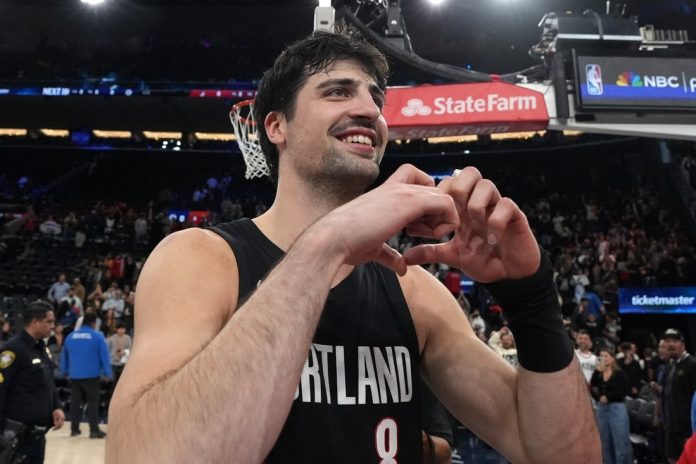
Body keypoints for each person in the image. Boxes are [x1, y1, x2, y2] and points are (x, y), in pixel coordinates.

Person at [107, 29, 599, 463]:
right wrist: (327, 244)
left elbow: (563, 456)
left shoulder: (415, 294)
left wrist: (531, 297)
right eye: (338, 91)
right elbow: (144, 456)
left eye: (375, 97)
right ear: (276, 126)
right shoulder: (199, 260)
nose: (369, 109)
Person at [0, 301, 64, 463]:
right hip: (15, 437)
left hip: (37, 436)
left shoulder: (41, 348)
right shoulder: (13, 349)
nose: (52, 326)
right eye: (49, 321)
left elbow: (48, 381)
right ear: (35, 322)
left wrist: (56, 406)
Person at [60, 313, 111, 439]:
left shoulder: (70, 336)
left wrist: (64, 371)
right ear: (94, 323)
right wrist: (108, 373)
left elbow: (64, 356)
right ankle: (94, 431)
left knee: (75, 403)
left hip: (74, 375)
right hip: (91, 375)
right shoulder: (97, 336)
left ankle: (74, 429)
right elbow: (104, 356)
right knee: (92, 403)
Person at [591, 348, 633, 464]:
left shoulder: (619, 374)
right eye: (601, 356)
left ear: (613, 359)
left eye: (606, 356)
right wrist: (597, 371)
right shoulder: (599, 373)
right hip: (602, 409)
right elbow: (592, 386)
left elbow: (625, 391)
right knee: (605, 443)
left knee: (620, 442)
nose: (603, 358)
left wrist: (608, 396)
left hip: (617, 408)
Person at [662, 328, 696, 463]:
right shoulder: (671, 365)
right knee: (671, 458)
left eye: (674, 341)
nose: (671, 344)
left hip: (687, 430)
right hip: (671, 427)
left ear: (683, 344)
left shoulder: (692, 364)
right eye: (668, 341)